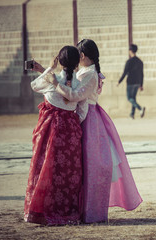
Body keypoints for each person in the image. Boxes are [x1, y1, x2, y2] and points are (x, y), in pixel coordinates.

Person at [46, 39, 142, 223]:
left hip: (88, 120)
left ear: (82, 55)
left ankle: (91, 213)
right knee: (81, 167)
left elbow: (76, 95)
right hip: (84, 117)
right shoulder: (84, 72)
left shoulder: (90, 75)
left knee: (91, 167)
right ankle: (80, 210)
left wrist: (56, 85)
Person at [24, 46, 87, 225]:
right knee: (68, 173)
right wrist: (72, 122)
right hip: (71, 131)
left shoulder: (51, 80)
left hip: (50, 129)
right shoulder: (78, 85)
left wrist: (49, 68)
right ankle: (68, 213)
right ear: (77, 64)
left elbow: (35, 85)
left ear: (59, 61)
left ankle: (43, 211)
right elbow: (83, 111)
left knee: (46, 169)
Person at [117, 44, 145, 119]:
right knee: (133, 98)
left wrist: (119, 81)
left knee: (129, 98)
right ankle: (132, 114)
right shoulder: (140, 62)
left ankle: (140, 108)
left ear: (130, 51)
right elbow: (142, 74)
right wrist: (141, 85)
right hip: (137, 82)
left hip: (130, 82)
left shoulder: (129, 61)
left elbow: (125, 72)